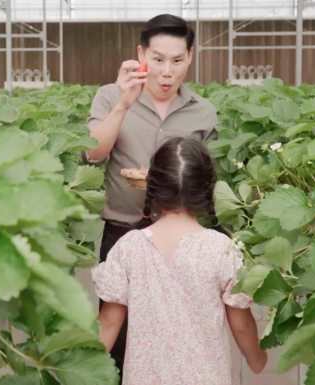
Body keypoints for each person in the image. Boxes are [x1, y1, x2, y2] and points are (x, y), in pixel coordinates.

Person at [84, 13, 218, 374]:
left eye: (177, 61)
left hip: (183, 239)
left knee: (181, 337)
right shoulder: (110, 96)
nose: (166, 72)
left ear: (190, 57)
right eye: (157, 59)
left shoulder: (203, 112)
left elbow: (208, 177)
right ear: (140, 54)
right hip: (124, 231)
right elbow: (93, 154)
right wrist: (123, 105)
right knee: (119, 335)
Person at [91, 137, 267, 385]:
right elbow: (240, 322)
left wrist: (84, 370)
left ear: (152, 186)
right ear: (208, 189)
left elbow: (108, 322)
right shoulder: (221, 249)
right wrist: (256, 358)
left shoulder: (129, 247)